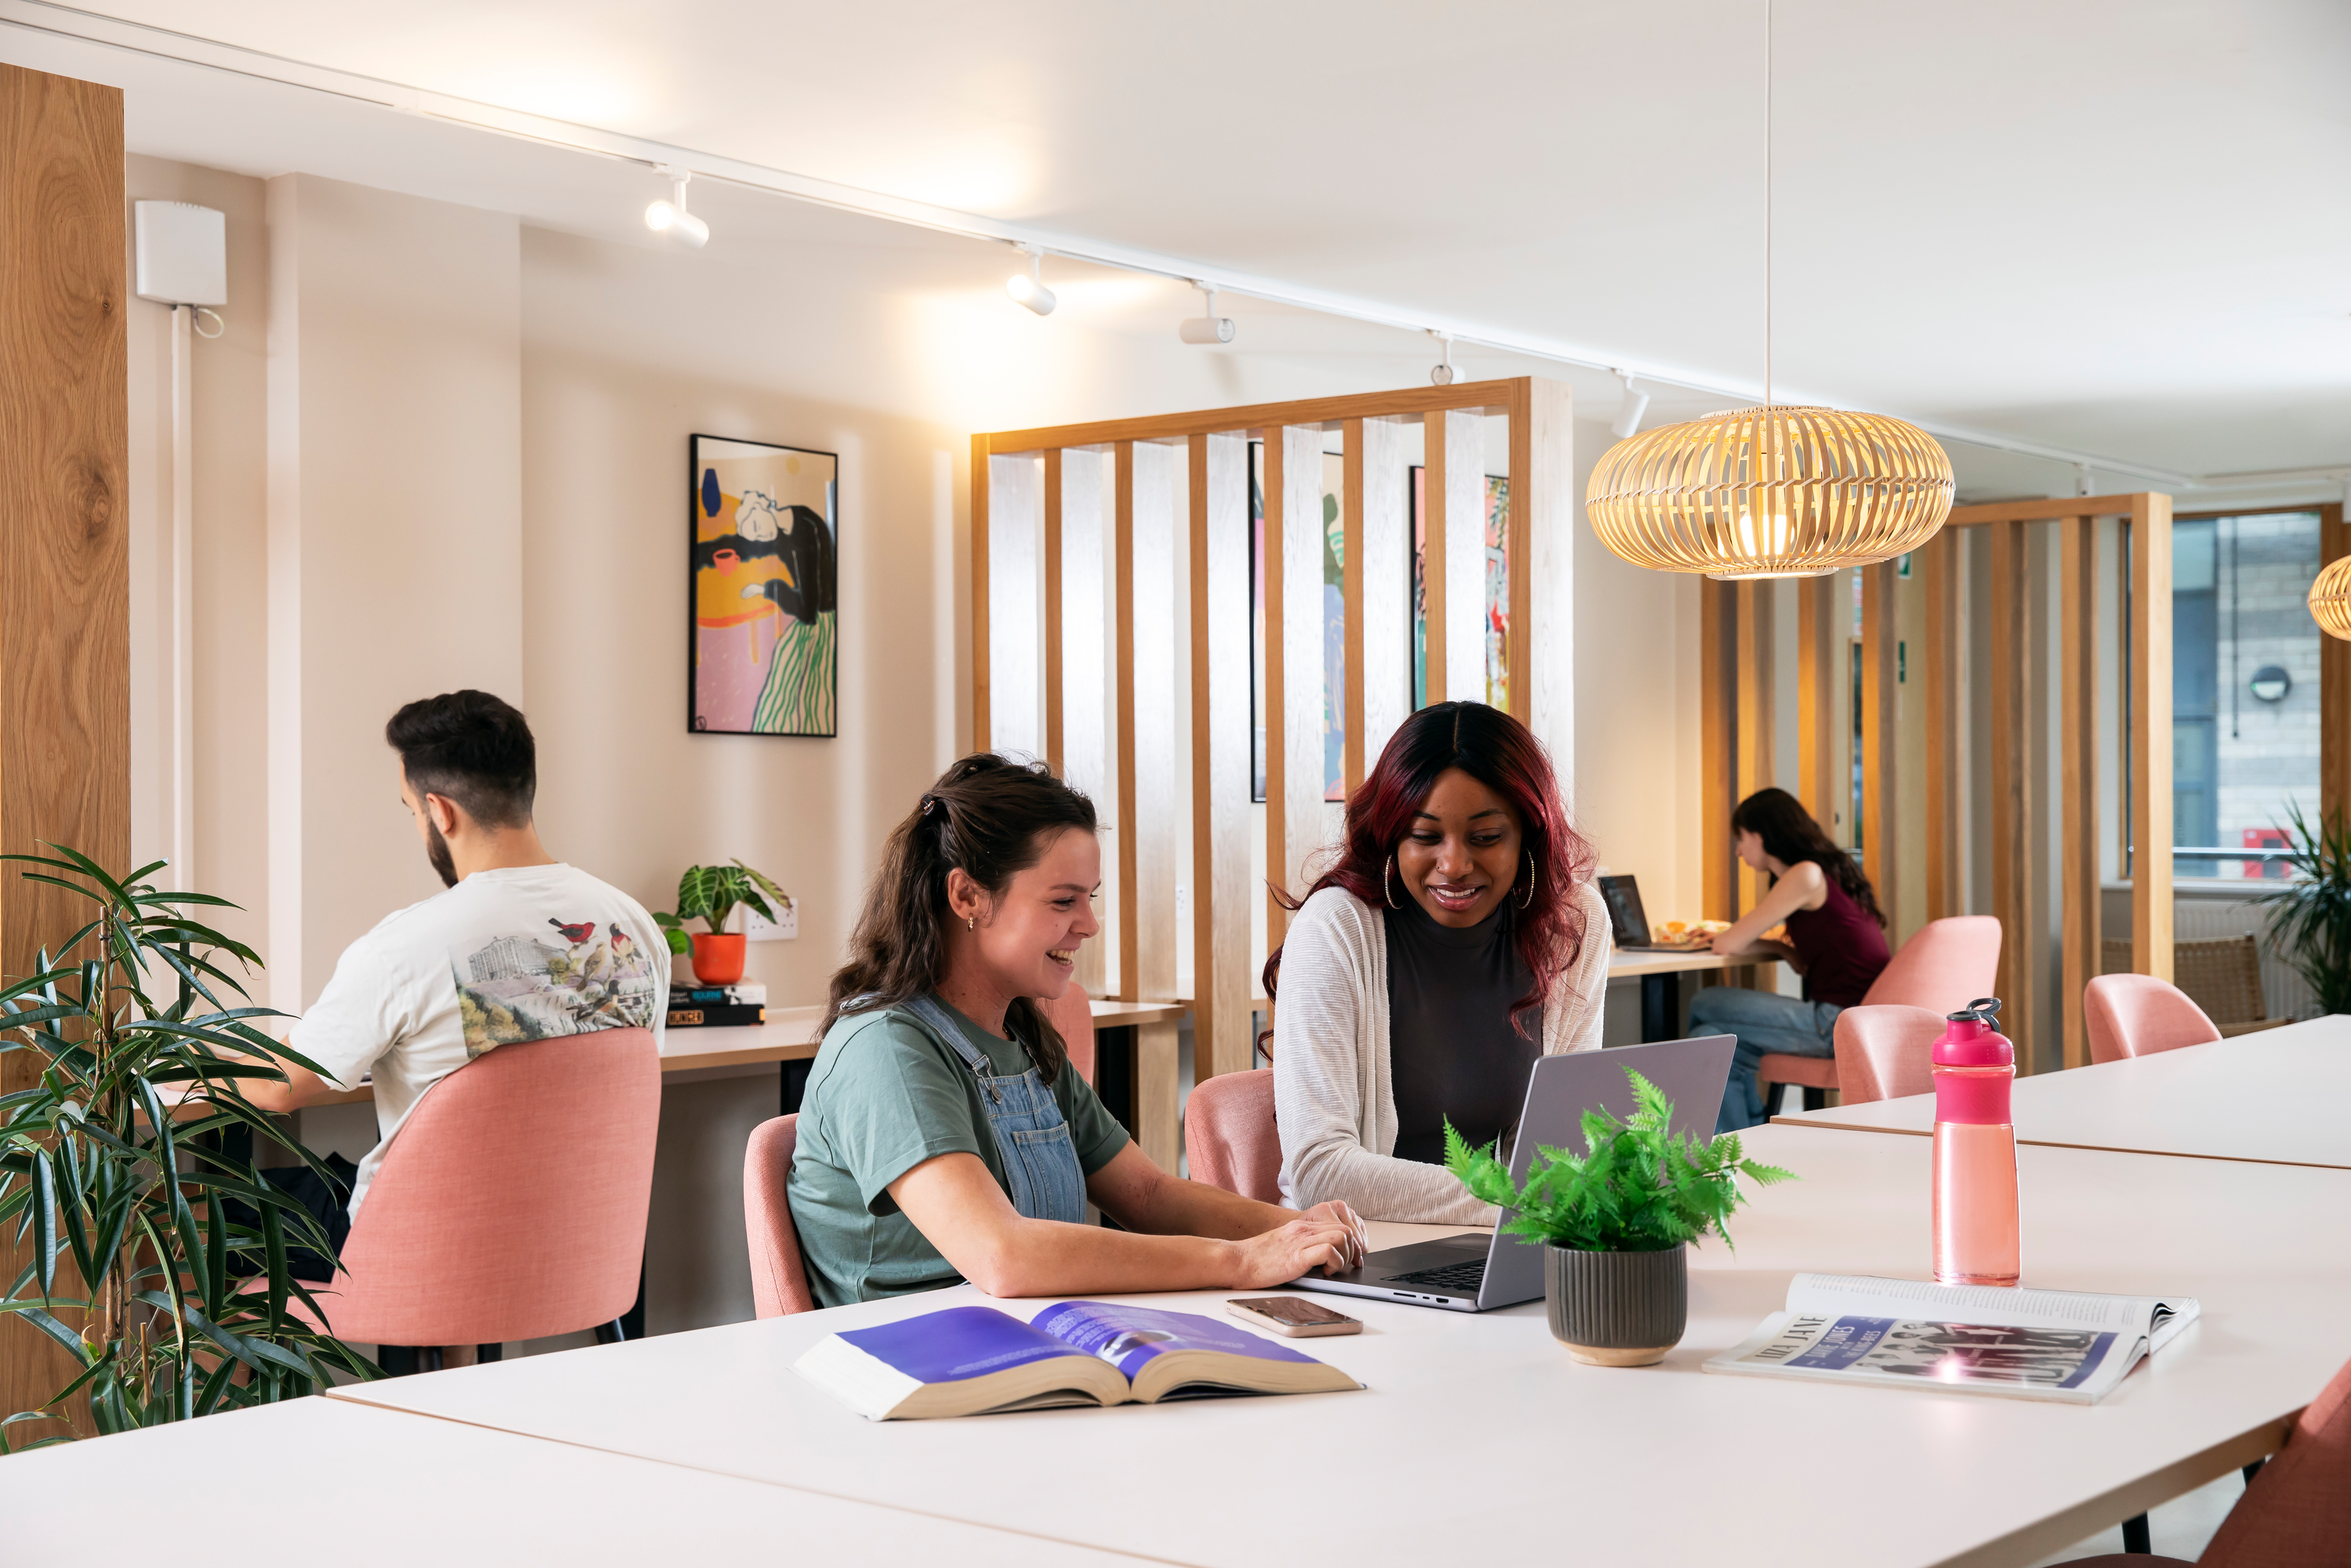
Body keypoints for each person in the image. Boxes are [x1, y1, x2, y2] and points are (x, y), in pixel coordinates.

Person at [787, 753, 1367, 1308]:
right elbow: (1003, 1255)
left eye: (1089, 899)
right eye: (1064, 900)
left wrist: (1300, 1230)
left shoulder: (1022, 1038)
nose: (1088, 924)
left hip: (1033, 1342)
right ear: (967, 895)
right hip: (919, 1370)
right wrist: (1241, 1261)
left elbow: (1146, 1195)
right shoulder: (885, 1048)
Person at [234, 690, 669, 1242]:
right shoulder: (635, 924)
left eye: (413, 811)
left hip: (421, 1247)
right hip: (581, 1243)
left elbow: (277, 1088)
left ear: (440, 810)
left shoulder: (407, 945)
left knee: (189, 1212)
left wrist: (179, 1055)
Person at [1267, 701, 1611, 1225]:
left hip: (1497, 1243)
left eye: (1486, 837)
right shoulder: (1336, 927)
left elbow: (1560, 1142)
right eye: (1425, 837)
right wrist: (1516, 1203)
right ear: (1390, 836)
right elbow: (1321, 1171)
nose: (1453, 864)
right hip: (1356, 1249)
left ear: (1528, 835)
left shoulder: (1573, 924)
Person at [1694, 787, 1892, 1133]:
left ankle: (1727, 1138)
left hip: (1836, 1024)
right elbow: (1753, 949)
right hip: (1849, 1020)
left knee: (1703, 1000)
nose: (1739, 851)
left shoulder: (1805, 874)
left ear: (1761, 835)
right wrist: (1783, 949)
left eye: (1740, 839)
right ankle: (1744, 1143)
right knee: (1708, 1040)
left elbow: (1728, 943)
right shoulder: (1825, 874)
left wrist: (1727, 938)